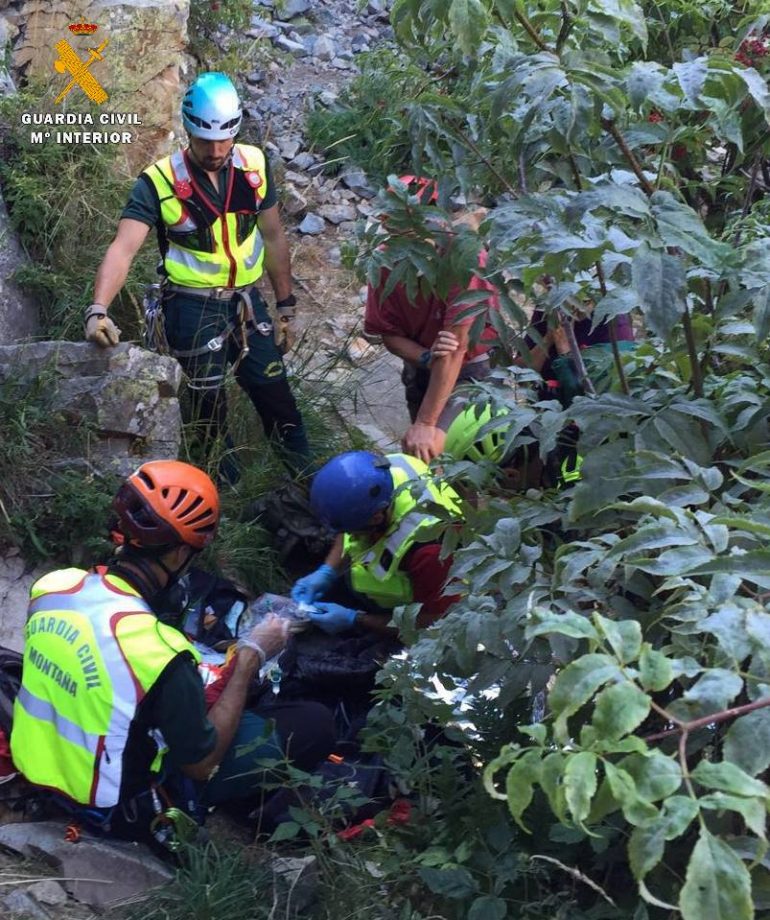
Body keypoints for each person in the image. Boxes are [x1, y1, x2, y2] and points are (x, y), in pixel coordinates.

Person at [10, 460, 334, 846]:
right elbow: (200, 763)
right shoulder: (162, 655)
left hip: (36, 768)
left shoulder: (53, 587)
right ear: (180, 554)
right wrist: (249, 657)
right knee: (314, 722)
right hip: (117, 809)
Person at [85, 72, 309, 482]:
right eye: (206, 141)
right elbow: (123, 248)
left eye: (225, 139)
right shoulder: (158, 182)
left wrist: (286, 306)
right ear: (189, 130)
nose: (217, 150)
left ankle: (305, 477)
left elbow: (274, 237)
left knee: (275, 393)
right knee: (207, 407)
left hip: (245, 301)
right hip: (190, 307)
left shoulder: (253, 166)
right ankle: (221, 491)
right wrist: (98, 309)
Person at [363, 179, 500, 464]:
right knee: (423, 451)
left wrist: (426, 423)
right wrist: (427, 357)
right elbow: (389, 335)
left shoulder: (464, 256)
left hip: (470, 366)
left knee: (442, 451)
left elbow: (457, 347)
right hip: (421, 361)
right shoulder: (385, 260)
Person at [291, 451, 463, 635]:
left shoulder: (431, 552)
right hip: (376, 584)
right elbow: (347, 528)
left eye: (352, 530)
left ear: (376, 517)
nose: (348, 535)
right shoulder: (378, 473)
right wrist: (327, 571)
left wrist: (357, 620)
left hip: (409, 618)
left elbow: (439, 621)